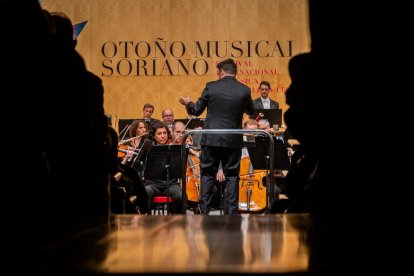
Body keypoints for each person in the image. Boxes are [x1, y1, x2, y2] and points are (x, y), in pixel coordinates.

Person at [179, 58, 254, 215]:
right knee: (233, 176)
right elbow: (251, 112)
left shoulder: (211, 87)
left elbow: (196, 110)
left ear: (221, 72)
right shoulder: (245, 90)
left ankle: (204, 212)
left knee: (207, 175)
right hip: (233, 140)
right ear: (235, 72)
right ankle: (232, 214)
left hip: (211, 139)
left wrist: (187, 103)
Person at [144, 120, 183, 214]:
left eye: (165, 133)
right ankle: (147, 221)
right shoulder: (148, 149)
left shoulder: (174, 148)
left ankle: (177, 222)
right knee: (145, 192)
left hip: (171, 184)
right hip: (153, 184)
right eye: (159, 133)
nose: (163, 136)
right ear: (154, 136)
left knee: (180, 195)